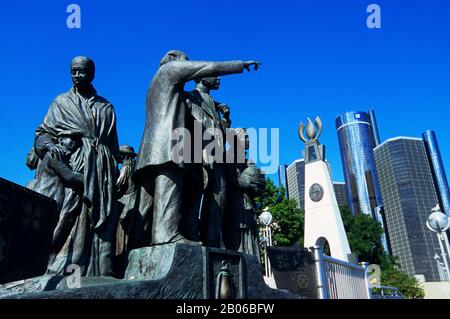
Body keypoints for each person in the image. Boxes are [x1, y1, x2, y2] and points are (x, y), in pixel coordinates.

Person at [133, 50, 260, 246]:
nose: (189, 67)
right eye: (186, 62)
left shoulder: (157, 86)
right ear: (175, 61)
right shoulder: (169, 70)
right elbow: (209, 67)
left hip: (152, 149)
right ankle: (166, 236)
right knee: (169, 195)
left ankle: (137, 249)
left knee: (146, 207)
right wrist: (240, 64)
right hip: (168, 146)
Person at [32, 56, 121, 276]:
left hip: (98, 169)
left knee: (91, 223)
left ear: (91, 74)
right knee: (64, 219)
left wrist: (108, 168)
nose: (77, 76)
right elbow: (42, 134)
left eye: (81, 71)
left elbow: (113, 147)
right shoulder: (61, 102)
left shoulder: (106, 107)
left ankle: (87, 273)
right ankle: (51, 267)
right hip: (69, 166)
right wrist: (51, 147)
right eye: (73, 71)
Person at [184, 76, 229, 247]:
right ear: (203, 77)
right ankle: (191, 239)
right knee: (194, 198)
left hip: (217, 156)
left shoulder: (213, 102)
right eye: (214, 74)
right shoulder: (189, 97)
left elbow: (219, 132)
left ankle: (213, 241)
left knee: (218, 199)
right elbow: (186, 126)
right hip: (197, 156)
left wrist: (225, 119)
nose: (218, 78)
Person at [223, 128, 265, 256]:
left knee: (251, 236)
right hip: (236, 205)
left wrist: (259, 183)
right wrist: (246, 183)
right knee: (239, 238)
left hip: (248, 204)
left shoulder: (248, 161)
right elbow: (229, 180)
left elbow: (258, 182)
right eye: (245, 137)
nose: (248, 140)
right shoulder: (229, 158)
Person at [27, 133, 83, 211]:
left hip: (51, 196)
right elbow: (70, 176)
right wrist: (89, 178)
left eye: (76, 140)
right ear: (61, 140)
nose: (74, 142)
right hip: (47, 195)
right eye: (71, 139)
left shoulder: (61, 156)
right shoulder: (54, 154)